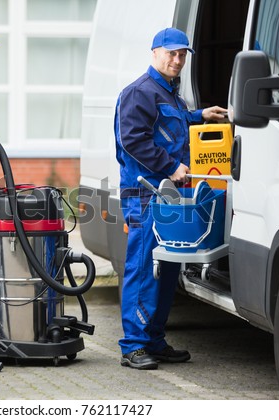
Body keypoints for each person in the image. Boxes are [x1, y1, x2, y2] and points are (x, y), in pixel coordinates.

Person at [114, 28, 227, 370]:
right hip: (146, 196)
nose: (177, 60)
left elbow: (171, 126)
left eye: (182, 55)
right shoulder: (139, 93)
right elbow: (133, 140)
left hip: (170, 197)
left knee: (167, 268)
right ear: (154, 52)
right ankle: (133, 345)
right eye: (171, 53)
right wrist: (170, 166)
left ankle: (155, 340)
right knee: (144, 268)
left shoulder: (170, 95)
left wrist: (199, 116)